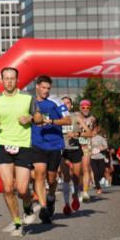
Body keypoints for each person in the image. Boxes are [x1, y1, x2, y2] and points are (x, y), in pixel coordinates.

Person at [0, 67, 41, 236]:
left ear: (17, 80)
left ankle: (28, 207)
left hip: (23, 144)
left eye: (12, 78)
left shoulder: (27, 98)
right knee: (8, 188)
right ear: (2, 80)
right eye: (6, 78)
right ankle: (17, 222)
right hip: (3, 144)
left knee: (22, 189)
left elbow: (39, 118)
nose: (9, 81)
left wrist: (29, 118)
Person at [29, 75, 70, 225]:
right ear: (37, 87)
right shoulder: (30, 102)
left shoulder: (56, 102)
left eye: (48, 88)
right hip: (37, 143)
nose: (46, 91)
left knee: (51, 179)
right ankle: (44, 207)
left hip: (54, 144)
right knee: (39, 174)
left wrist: (51, 121)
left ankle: (51, 197)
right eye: (43, 88)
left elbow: (68, 120)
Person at [72, 99, 98, 205]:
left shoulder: (93, 119)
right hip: (75, 146)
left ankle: (85, 192)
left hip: (86, 146)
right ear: (80, 108)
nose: (86, 109)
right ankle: (77, 189)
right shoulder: (75, 117)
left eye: (88, 107)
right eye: (83, 107)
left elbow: (95, 129)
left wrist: (93, 133)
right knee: (78, 171)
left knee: (86, 167)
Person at [59, 95, 80, 214]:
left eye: (67, 103)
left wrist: (77, 134)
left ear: (71, 105)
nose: (65, 105)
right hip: (63, 150)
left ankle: (75, 196)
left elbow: (89, 132)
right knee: (65, 176)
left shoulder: (76, 117)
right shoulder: (57, 118)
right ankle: (67, 204)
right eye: (63, 103)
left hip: (75, 149)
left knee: (76, 177)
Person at [89, 127, 109, 195]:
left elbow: (106, 146)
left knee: (101, 171)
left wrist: (101, 148)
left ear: (96, 131)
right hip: (92, 158)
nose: (94, 132)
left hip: (100, 157)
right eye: (92, 131)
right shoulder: (88, 138)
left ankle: (97, 180)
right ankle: (98, 188)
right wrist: (89, 151)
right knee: (95, 173)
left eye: (95, 131)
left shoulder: (100, 138)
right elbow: (85, 146)